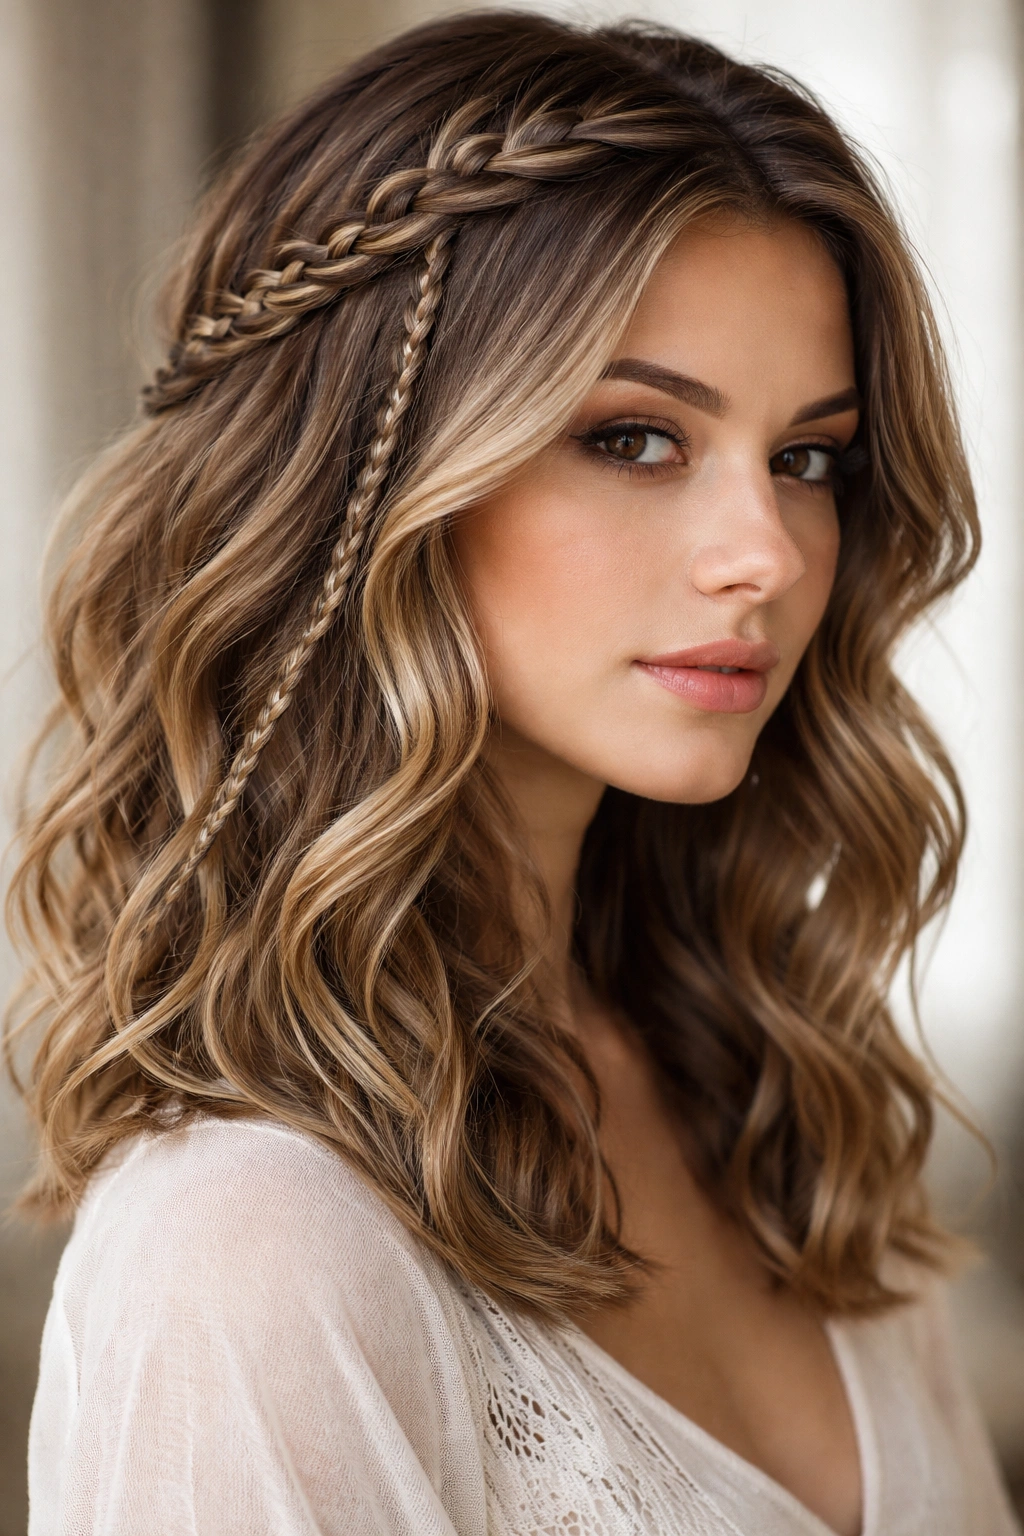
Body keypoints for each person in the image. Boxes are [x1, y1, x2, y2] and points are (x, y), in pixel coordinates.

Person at [9, 12, 1019, 1535]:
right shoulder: (251, 1253)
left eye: (808, 458)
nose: (766, 553)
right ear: (369, 477)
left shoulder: (771, 1110)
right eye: (634, 437)